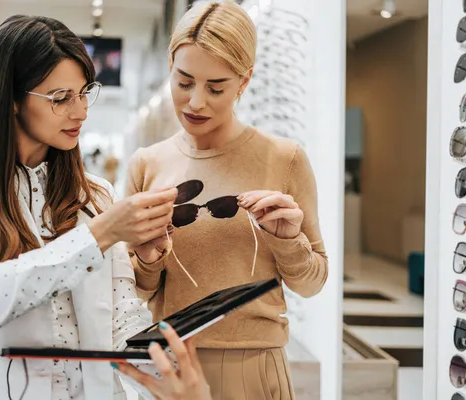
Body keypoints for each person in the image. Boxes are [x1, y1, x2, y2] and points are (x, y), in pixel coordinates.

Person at [0, 15, 178, 400]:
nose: (81, 111)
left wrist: (169, 373)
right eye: (61, 98)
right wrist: (99, 236)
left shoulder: (96, 195)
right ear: (12, 99)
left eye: (85, 92)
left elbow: (122, 323)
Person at [125, 1, 329, 399]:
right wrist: (149, 258)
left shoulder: (283, 158)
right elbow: (134, 290)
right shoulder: (147, 164)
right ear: (170, 67)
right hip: (173, 365)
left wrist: (287, 241)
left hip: (256, 365)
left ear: (245, 80)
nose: (195, 102)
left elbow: (312, 283)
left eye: (215, 87)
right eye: (184, 82)